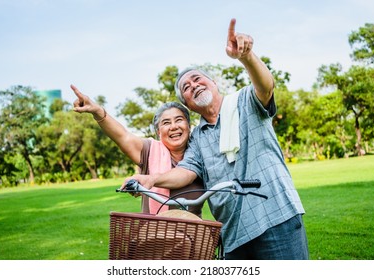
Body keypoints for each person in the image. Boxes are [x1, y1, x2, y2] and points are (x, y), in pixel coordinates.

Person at [123, 18, 309, 260]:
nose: (193, 86)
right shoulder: (198, 137)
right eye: (186, 88)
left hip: (276, 218)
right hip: (232, 235)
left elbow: (265, 87)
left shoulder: (244, 101)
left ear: (213, 83)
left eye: (198, 79)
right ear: (187, 103)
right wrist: (151, 179)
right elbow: (187, 171)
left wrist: (247, 56)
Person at [71, 85, 204, 217]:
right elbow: (123, 136)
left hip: (193, 234)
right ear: (158, 132)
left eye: (179, 120)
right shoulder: (149, 150)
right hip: (154, 233)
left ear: (188, 125)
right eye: (166, 123)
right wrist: (98, 111)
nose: (174, 127)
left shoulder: (200, 153)